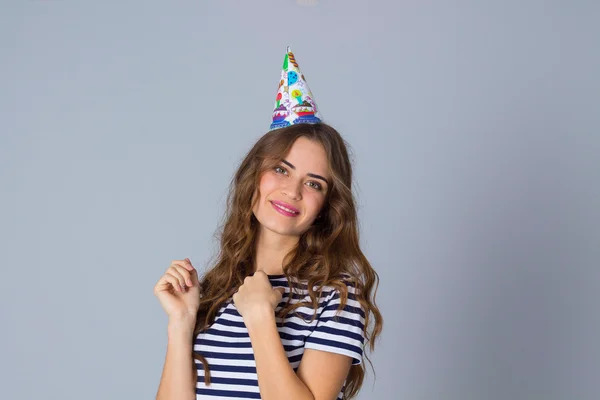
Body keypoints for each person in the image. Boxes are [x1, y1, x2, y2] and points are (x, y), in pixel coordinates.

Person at [155, 46, 383, 400]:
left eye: (313, 183)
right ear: (255, 177)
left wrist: (261, 317)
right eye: (281, 169)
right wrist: (182, 324)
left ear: (326, 206)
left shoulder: (335, 296)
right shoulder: (215, 291)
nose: (292, 191)